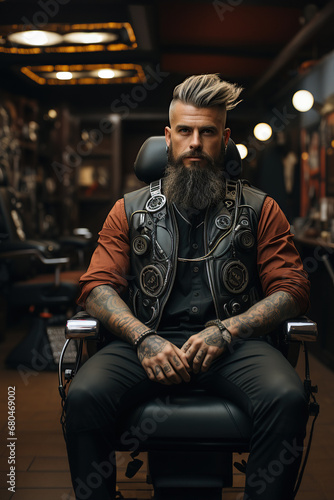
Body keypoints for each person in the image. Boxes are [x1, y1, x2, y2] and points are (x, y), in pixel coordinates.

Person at [64, 74, 310, 500]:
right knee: (83, 395)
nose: (195, 142)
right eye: (185, 131)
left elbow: (291, 287)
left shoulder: (260, 209)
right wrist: (142, 337)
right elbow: (97, 285)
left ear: (224, 138)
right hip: (146, 340)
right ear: (169, 136)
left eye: (208, 132)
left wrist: (230, 329)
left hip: (234, 345)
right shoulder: (128, 210)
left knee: (287, 397)